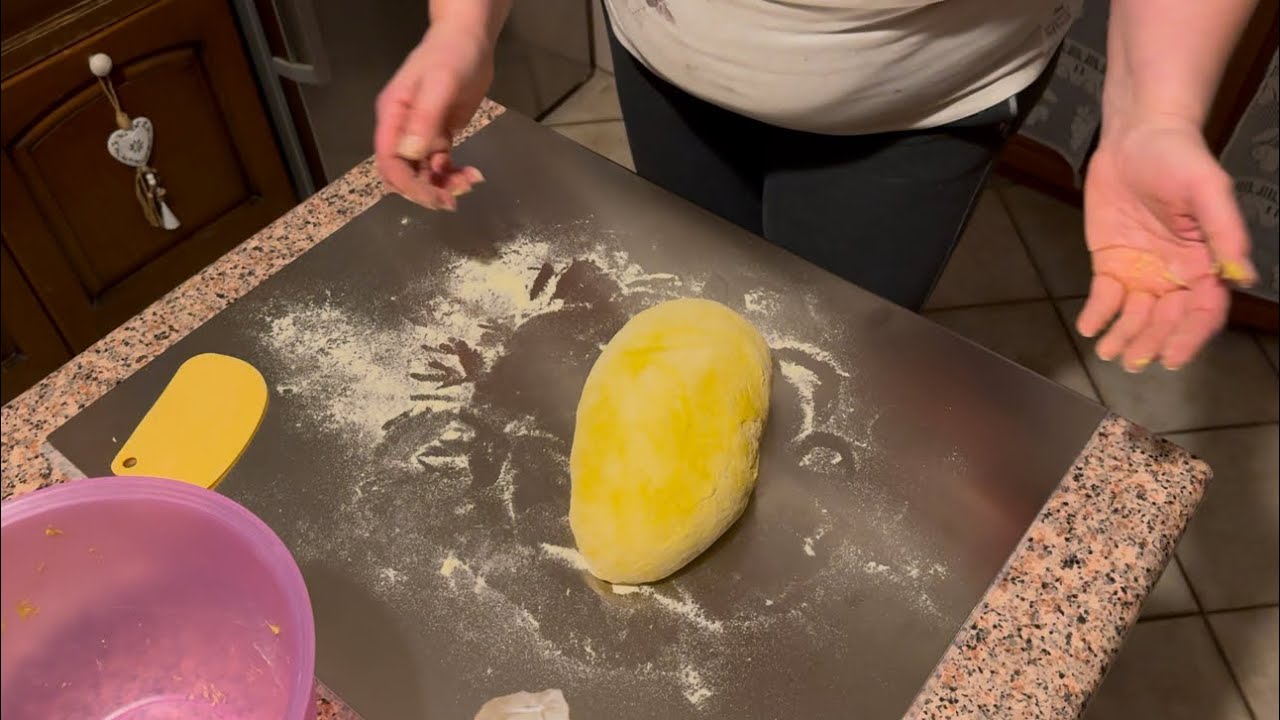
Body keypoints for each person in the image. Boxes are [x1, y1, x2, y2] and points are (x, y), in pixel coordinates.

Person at [374, 0, 1261, 373]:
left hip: (919, 106)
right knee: (702, 307)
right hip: (666, 56)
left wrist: (1153, 111)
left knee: (826, 358)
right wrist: (462, 25)